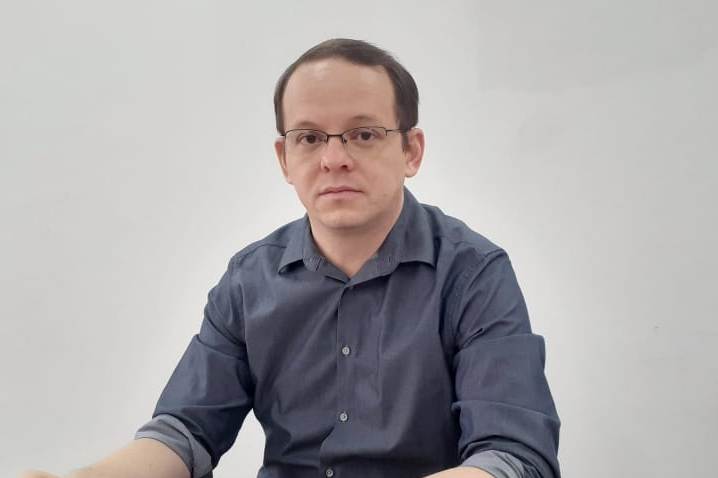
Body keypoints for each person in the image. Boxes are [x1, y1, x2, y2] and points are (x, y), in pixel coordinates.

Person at [20, 38, 560, 478]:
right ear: (284, 158)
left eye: (363, 134)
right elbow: (184, 433)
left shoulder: (473, 273)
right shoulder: (249, 280)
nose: (333, 159)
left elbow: (512, 458)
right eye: (308, 138)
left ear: (411, 150)